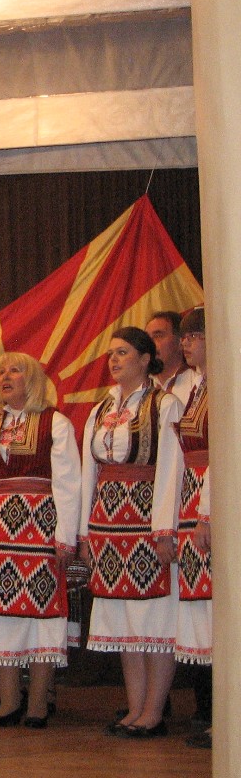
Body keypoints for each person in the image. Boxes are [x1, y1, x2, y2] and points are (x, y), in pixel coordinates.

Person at [0, 353, 80, 728]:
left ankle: (38, 703)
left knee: (40, 614)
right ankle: (10, 700)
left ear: (33, 380)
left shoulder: (54, 423)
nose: (5, 376)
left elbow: (68, 483)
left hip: (39, 529)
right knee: (0, 615)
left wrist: (64, 537)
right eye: (1, 371)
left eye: (15, 370)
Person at [78, 327, 182, 738]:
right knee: (123, 619)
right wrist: (85, 532)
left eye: (123, 353)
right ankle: (135, 708)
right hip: (107, 522)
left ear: (145, 358)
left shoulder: (164, 404)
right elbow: (89, 472)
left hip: (145, 519)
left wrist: (163, 529)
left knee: (153, 618)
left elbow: (172, 467)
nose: (114, 360)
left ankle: (153, 711)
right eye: (111, 354)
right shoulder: (101, 408)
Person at [173, 308, 211, 747]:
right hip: (192, 501)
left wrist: (208, 512)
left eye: (194, 335)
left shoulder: (224, 384)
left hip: (209, 504)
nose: (186, 343)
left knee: (220, 609)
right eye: (184, 337)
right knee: (203, 609)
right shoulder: (197, 386)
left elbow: (224, 451)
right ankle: (211, 712)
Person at [146, 311, 196, 405]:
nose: (150, 344)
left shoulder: (196, 385)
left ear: (180, 341)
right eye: (147, 338)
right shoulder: (140, 386)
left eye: (158, 336)